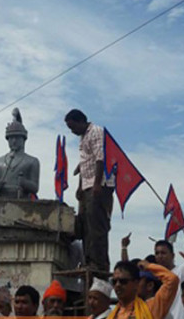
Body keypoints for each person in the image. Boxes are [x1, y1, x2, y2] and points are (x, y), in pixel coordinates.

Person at [66, 109, 115, 272]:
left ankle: (99, 263)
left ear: (80, 121)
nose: (72, 131)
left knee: (96, 226)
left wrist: (97, 184)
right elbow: (84, 164)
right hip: (86, 184)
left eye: (72, 127)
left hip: (100, 184)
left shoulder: (96, 132)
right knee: (85, 226)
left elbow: (100, 159)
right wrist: (80, 186)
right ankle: (88, 260)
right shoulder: (83, 137)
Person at [0, 108, 41, 199]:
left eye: (17, 138)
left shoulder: (32, 161)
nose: (14, 141)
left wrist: (24, 182)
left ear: (23, 139)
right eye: (11, 138)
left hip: (23, 201)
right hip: (1, 200)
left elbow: (35, 187)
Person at [108, 259, 178, 319]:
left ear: (136, 283)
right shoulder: (113, 315)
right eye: (114, 281)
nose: (117, 285)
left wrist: (149, 266)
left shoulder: (151, 307)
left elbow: (172, 279)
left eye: (123, 281)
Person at [153, 234, 184, 319]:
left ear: (173, 255)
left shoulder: (182, 270)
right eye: (157, 253)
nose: (160, 256)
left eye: (163, 253)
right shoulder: (153, 279)